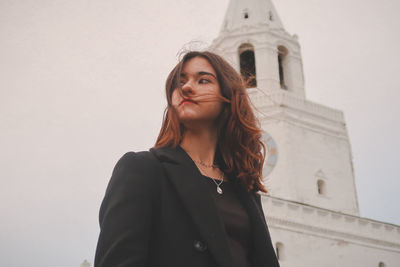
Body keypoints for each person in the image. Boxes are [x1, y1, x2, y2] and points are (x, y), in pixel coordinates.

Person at [94, 51, 280, 267]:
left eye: (203, 80)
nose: (187, 87)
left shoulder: (244, 187)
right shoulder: (143, 169)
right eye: (180, 82)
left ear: (229, 96)